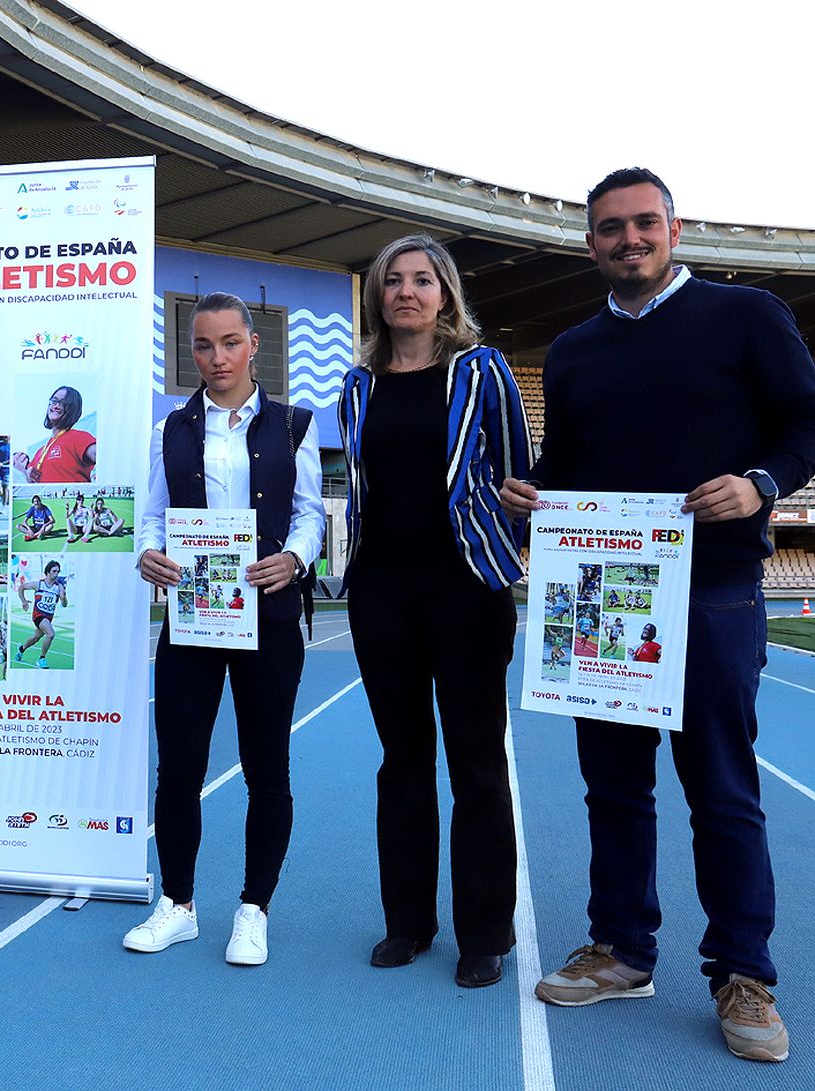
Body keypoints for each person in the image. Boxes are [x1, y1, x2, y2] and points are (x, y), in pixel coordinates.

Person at [501, 167, 815, 1063]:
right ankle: (623, 948)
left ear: (675, 229)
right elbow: (572, 459)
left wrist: (760, 484)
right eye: (609, 228)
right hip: (599, 588)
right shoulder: (571, 350)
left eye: (644, 223)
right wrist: (540, 493)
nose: (627, 239)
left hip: (711, 586)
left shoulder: (747, 314)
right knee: (613, 786)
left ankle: (743, 972)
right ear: (590, 241)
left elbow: (806, 420)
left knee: (721, 789)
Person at [339, 234, 531, 987]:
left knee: (477, 762)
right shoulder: (360, 384)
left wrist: (495, 558)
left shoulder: (480, 371)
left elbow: (520, 475)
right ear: (378, 297)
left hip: (466, 592)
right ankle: (408, 922)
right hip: (382, 592)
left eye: (422, 280)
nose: (407, 292)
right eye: (394, 281)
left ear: (446, 294)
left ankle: (484, 932)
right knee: (402, 760)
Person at [127, 291, 325, 967]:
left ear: (253, 345)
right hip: (191, 619)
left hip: (267, 618)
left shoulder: (295, 424)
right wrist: (146, 551)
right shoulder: (169, 429)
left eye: (230, 343)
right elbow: (153, 513)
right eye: (203, 346)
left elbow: (310, 514)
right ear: (191, 351)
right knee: (177, 769)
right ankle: (177, 905)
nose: (217, 358)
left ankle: (253, 908)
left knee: (267, 770)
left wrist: (295, 558)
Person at [13, 385, 96, 483]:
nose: (56, 406)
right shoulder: (40, 452)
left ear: (73, 409)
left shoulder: (79, 437)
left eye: (64, 403)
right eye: (54, 401)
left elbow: (103, 457)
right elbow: (30, 484)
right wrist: (21, 471)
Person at [15, 560, 68, 668]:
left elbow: (64, 604)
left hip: (48, 618)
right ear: (48, 572)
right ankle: (41, 659)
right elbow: (21, 588)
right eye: (54, 571)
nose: (56, 574)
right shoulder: (39, 584)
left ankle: (22, 649)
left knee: (36, 638)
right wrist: (24, 601)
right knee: (51, 634)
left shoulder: (59, 587)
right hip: (38, 616)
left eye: (58, 571)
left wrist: (63, 598)